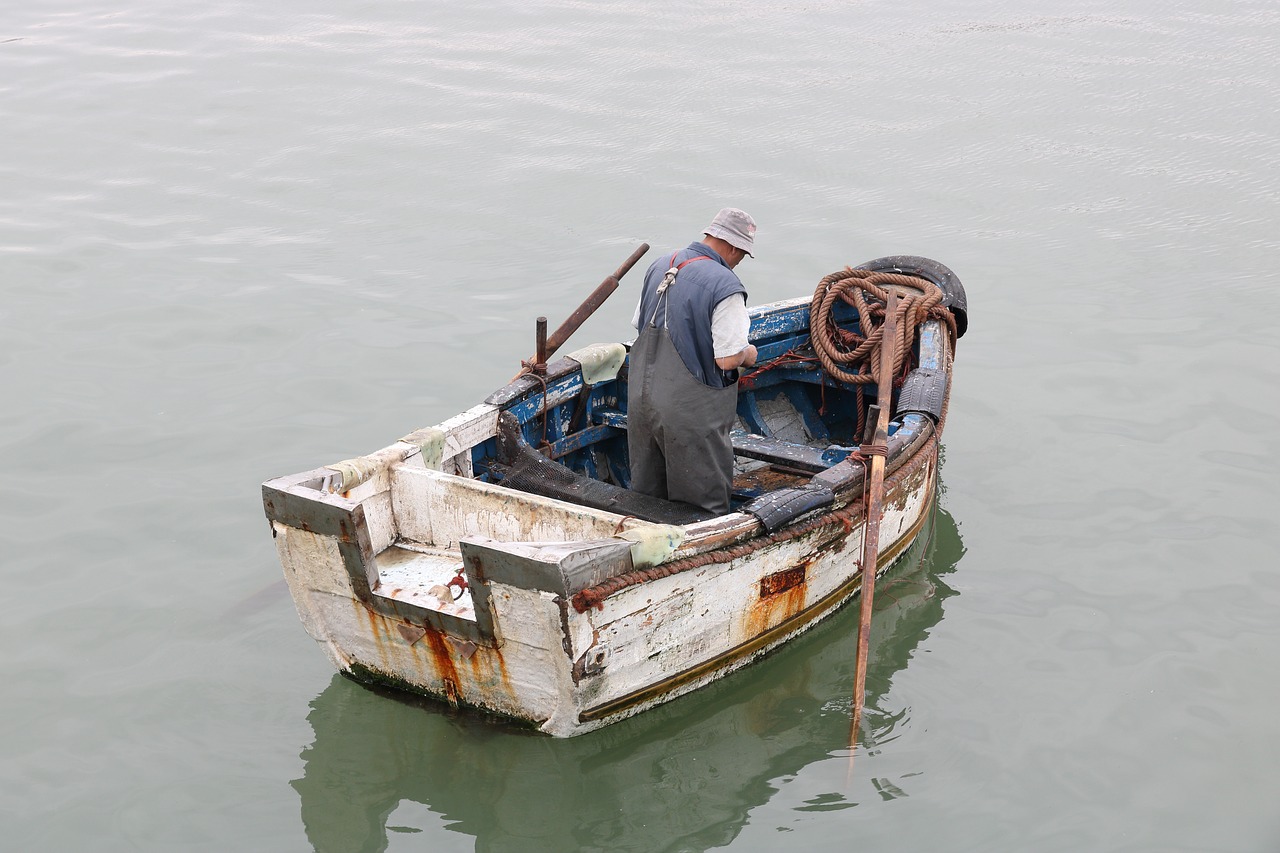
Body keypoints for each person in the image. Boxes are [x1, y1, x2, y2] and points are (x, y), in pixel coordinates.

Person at [627, 207, 759, 515]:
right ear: (733, 246)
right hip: (690, 414)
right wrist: (749, 355)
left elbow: (640, 325)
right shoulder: (726, 285)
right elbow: (727, 359)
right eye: (742, 254)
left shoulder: (660, 265)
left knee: (647, 499)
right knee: (703, 508)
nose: (739, 261)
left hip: (639, 402)